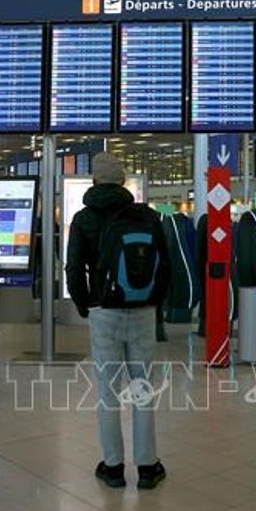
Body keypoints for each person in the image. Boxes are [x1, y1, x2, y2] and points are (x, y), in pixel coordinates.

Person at [65, 152, 171, 490]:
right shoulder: (146, 216)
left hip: (104, 312)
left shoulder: (83, 218)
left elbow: (73, 269)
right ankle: (147, 466)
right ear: (123, 181)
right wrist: (154, 303)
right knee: (143, 388)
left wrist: (86, 305)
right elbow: (166, 265)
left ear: (94, 180)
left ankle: (112, 467)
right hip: (142, 312)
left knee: (107, 391)